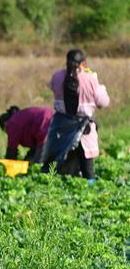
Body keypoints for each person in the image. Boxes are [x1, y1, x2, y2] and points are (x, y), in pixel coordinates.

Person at [41, 50, 109, 181]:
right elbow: (103, 102)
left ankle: (45, 189)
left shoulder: (57, 77)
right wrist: (95, 80)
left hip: (61, 129)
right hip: (84, 130)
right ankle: (91, 192)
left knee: (52, 166)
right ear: (83, 63)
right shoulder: (90, 79)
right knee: (87, 169)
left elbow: (52, 87)